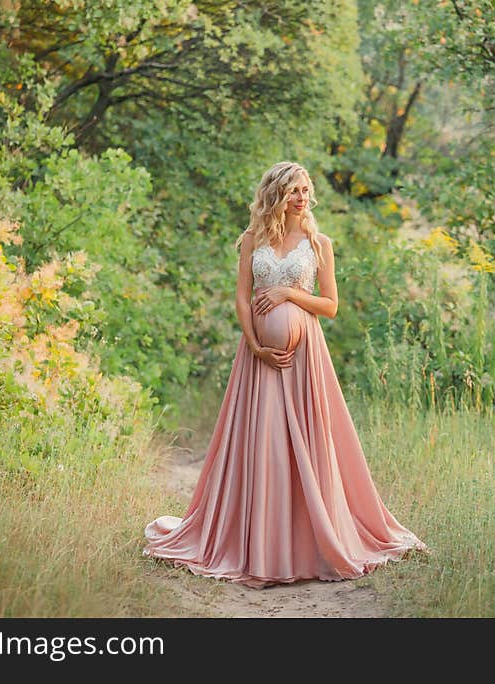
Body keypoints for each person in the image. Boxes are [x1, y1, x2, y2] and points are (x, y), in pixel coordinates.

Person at [143, 161, 427, 589]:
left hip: (304, 361)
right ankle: (261, 546)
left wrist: (290, 292)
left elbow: (330, 306)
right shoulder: (252, 240)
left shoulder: (319, 242)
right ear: (275, 192)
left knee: (305, 448)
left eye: (305, 189)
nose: (301, 197)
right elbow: (241, 297)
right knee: (264, 445)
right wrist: (255, 345)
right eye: (293, 189)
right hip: (257, 360)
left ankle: (311, 543)